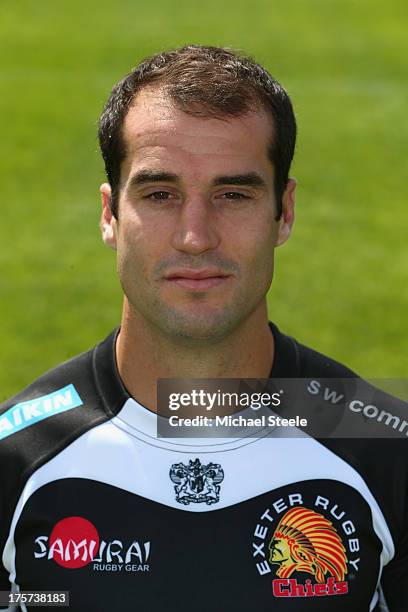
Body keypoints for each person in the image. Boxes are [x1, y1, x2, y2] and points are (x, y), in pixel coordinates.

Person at [0, 45, 406, 612]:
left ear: (283, 212)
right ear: (109, 214)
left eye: (233, 195)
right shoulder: (17, 459)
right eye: (160, 195)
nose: (196, 237)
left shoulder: (387, 454)